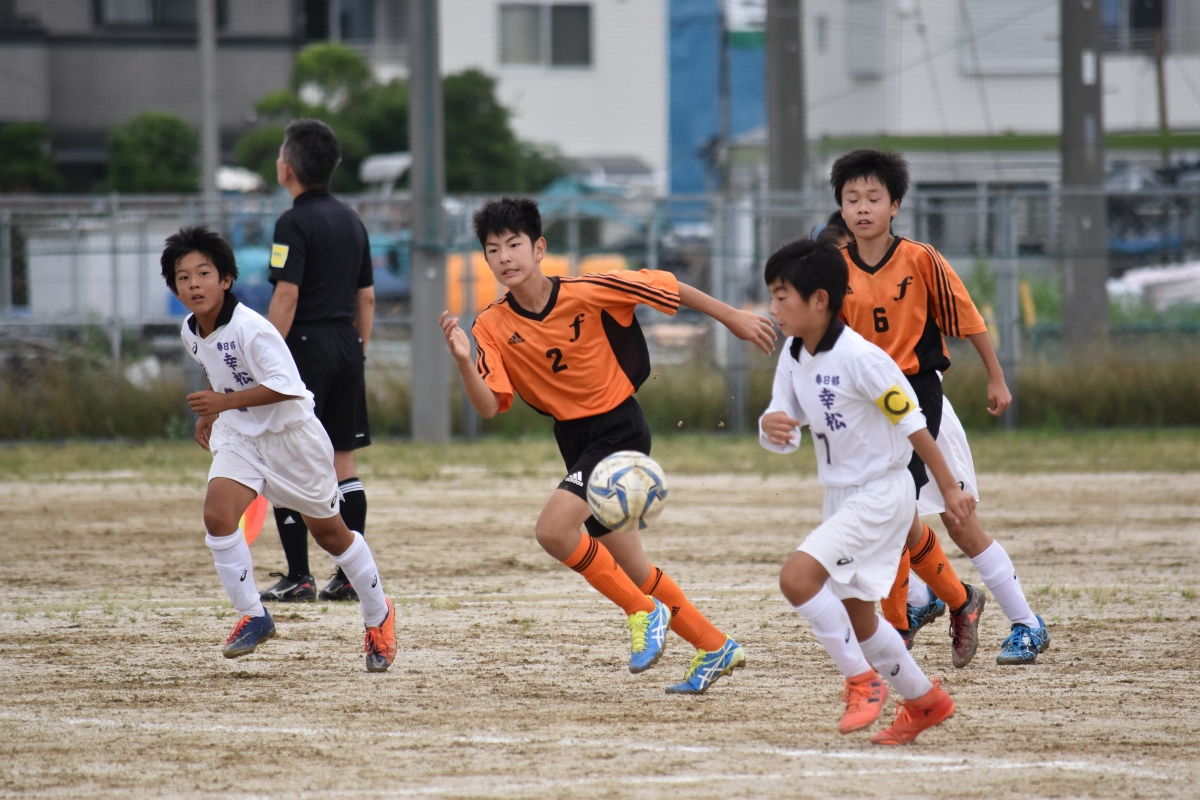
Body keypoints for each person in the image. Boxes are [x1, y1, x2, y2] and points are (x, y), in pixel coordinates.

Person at [439, 197, 777, 693]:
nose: (504, 257)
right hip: (574, 439)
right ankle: (714, 646)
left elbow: (668, 285)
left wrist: (732, 317)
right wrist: (464, 362)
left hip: (619, 428)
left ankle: (643, 612)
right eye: (493, 249)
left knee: (554, 531)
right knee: (633, 567)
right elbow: (489, 407)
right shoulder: (490, 325)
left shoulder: (588, 290)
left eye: (514, 244)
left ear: (539, 248)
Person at [830, 149, 1050, 665]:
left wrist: (996, 376)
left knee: (954, 522)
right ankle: (921, 604)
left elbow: (968, 319)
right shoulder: (835, 269)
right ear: (840, 208)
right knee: (886, 512)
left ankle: (1025, 623)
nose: (862, 207)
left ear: (895, 205)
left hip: (919, 396)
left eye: (873, 197)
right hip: (869, 404)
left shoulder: (920, 259)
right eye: (851, 198)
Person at [759, 236, 967, 745]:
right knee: (860, 617)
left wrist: (950, 488)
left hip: (882, 492)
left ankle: (861, 679)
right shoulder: (793, 352)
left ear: (819, 300)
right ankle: (924, 701)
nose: (773, 308)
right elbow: (782, 415)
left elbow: (916, 427)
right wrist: (772, 426)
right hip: (840, 495)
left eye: (782, 296)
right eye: (772, 296)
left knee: (797, 579)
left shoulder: (862, 359)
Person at [160, 225, 396, 672]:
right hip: (241, 437)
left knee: (331, 535)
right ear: (174, 288)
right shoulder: (190, 331)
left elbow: (287, 387)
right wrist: (213, 412)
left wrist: (221, 403)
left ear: (226, 279)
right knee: (217, 516)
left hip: (292, 440)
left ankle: (378, 614)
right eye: (183, 277)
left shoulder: (253, 329)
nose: (194, 284)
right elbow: (218, 371)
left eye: (204, 273)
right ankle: (254, 616)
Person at [261, 118, 376, 603]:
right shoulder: (353, 220)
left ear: (287, 169)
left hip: (304, 346)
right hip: (347, 343)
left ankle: (299, 576)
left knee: (288, 459)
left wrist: (267, 356)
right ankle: (350, 576)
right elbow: (366, 297)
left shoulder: (292, 222)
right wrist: (357, 349)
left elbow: (287, 295)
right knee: (342, 459)